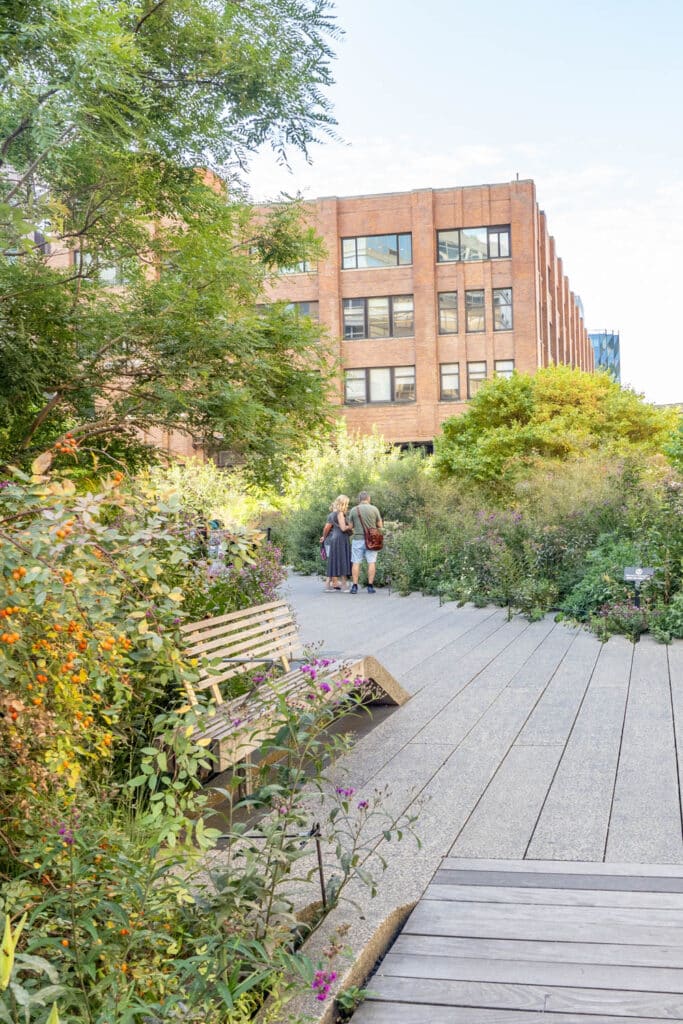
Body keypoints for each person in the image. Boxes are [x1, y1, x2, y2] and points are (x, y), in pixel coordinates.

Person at [348, 491, 383, 594]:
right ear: (369, 499)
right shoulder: (374, 509)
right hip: (372, 540)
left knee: (356, 562)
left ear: (359, 499)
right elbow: (380, 525)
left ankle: (354, 586)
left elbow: (350, 527)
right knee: (371, 562)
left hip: (358, 539)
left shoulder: (354, 510)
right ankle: (370, 586)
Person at [321, 494, 352, 591]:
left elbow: (327, 527)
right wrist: (351, 526)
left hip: (334, 538)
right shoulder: (340, 514)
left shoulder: (332, 514)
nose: (347, 505)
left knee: (333, 561)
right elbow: (343, 528)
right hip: (341, 539)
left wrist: (324, 537)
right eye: (347, 503)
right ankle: (344, 586)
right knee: (343, 560)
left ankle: (327, 586)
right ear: (344, 503)